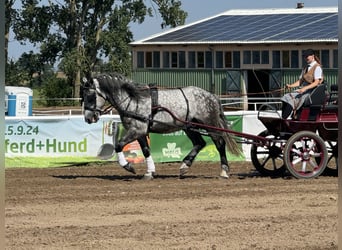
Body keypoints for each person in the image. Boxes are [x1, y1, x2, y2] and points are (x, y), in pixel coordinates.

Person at [281, 49, 324, 119]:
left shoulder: (317, 67)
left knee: (290, 99)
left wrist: (304, 88)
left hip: (311, 91)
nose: (306, 58)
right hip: (304, 90)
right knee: (286, 96)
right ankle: (284, 117)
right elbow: (300, 81)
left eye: (307, 56)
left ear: (313, 56)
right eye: (305, 56)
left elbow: (316, 82)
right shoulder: (305, 67)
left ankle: (284, 118)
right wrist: (290, 86)